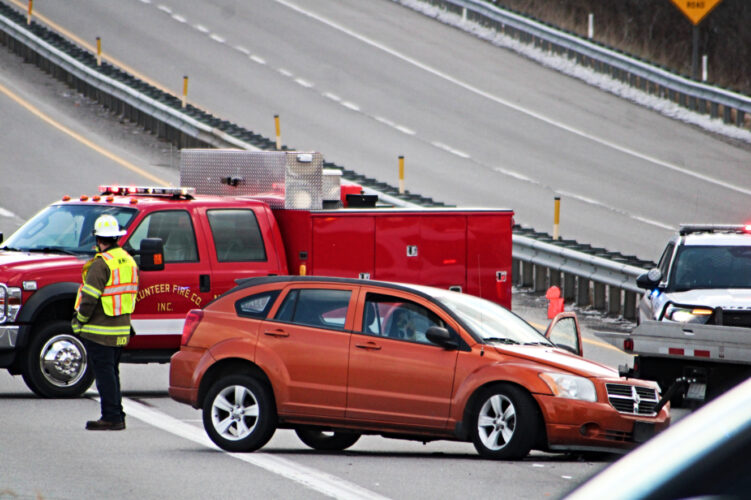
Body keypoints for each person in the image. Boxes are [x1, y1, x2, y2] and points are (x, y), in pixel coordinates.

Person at [72, 214, 139, 431]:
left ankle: (111, 417)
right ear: (116, 238)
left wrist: (79, 321)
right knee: (111, 373)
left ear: (99, 239)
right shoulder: (128, 260)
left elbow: (89, 298)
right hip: (121, 329)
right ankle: (116, 414)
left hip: (100, 332)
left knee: (104, 375)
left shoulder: (101, 264)